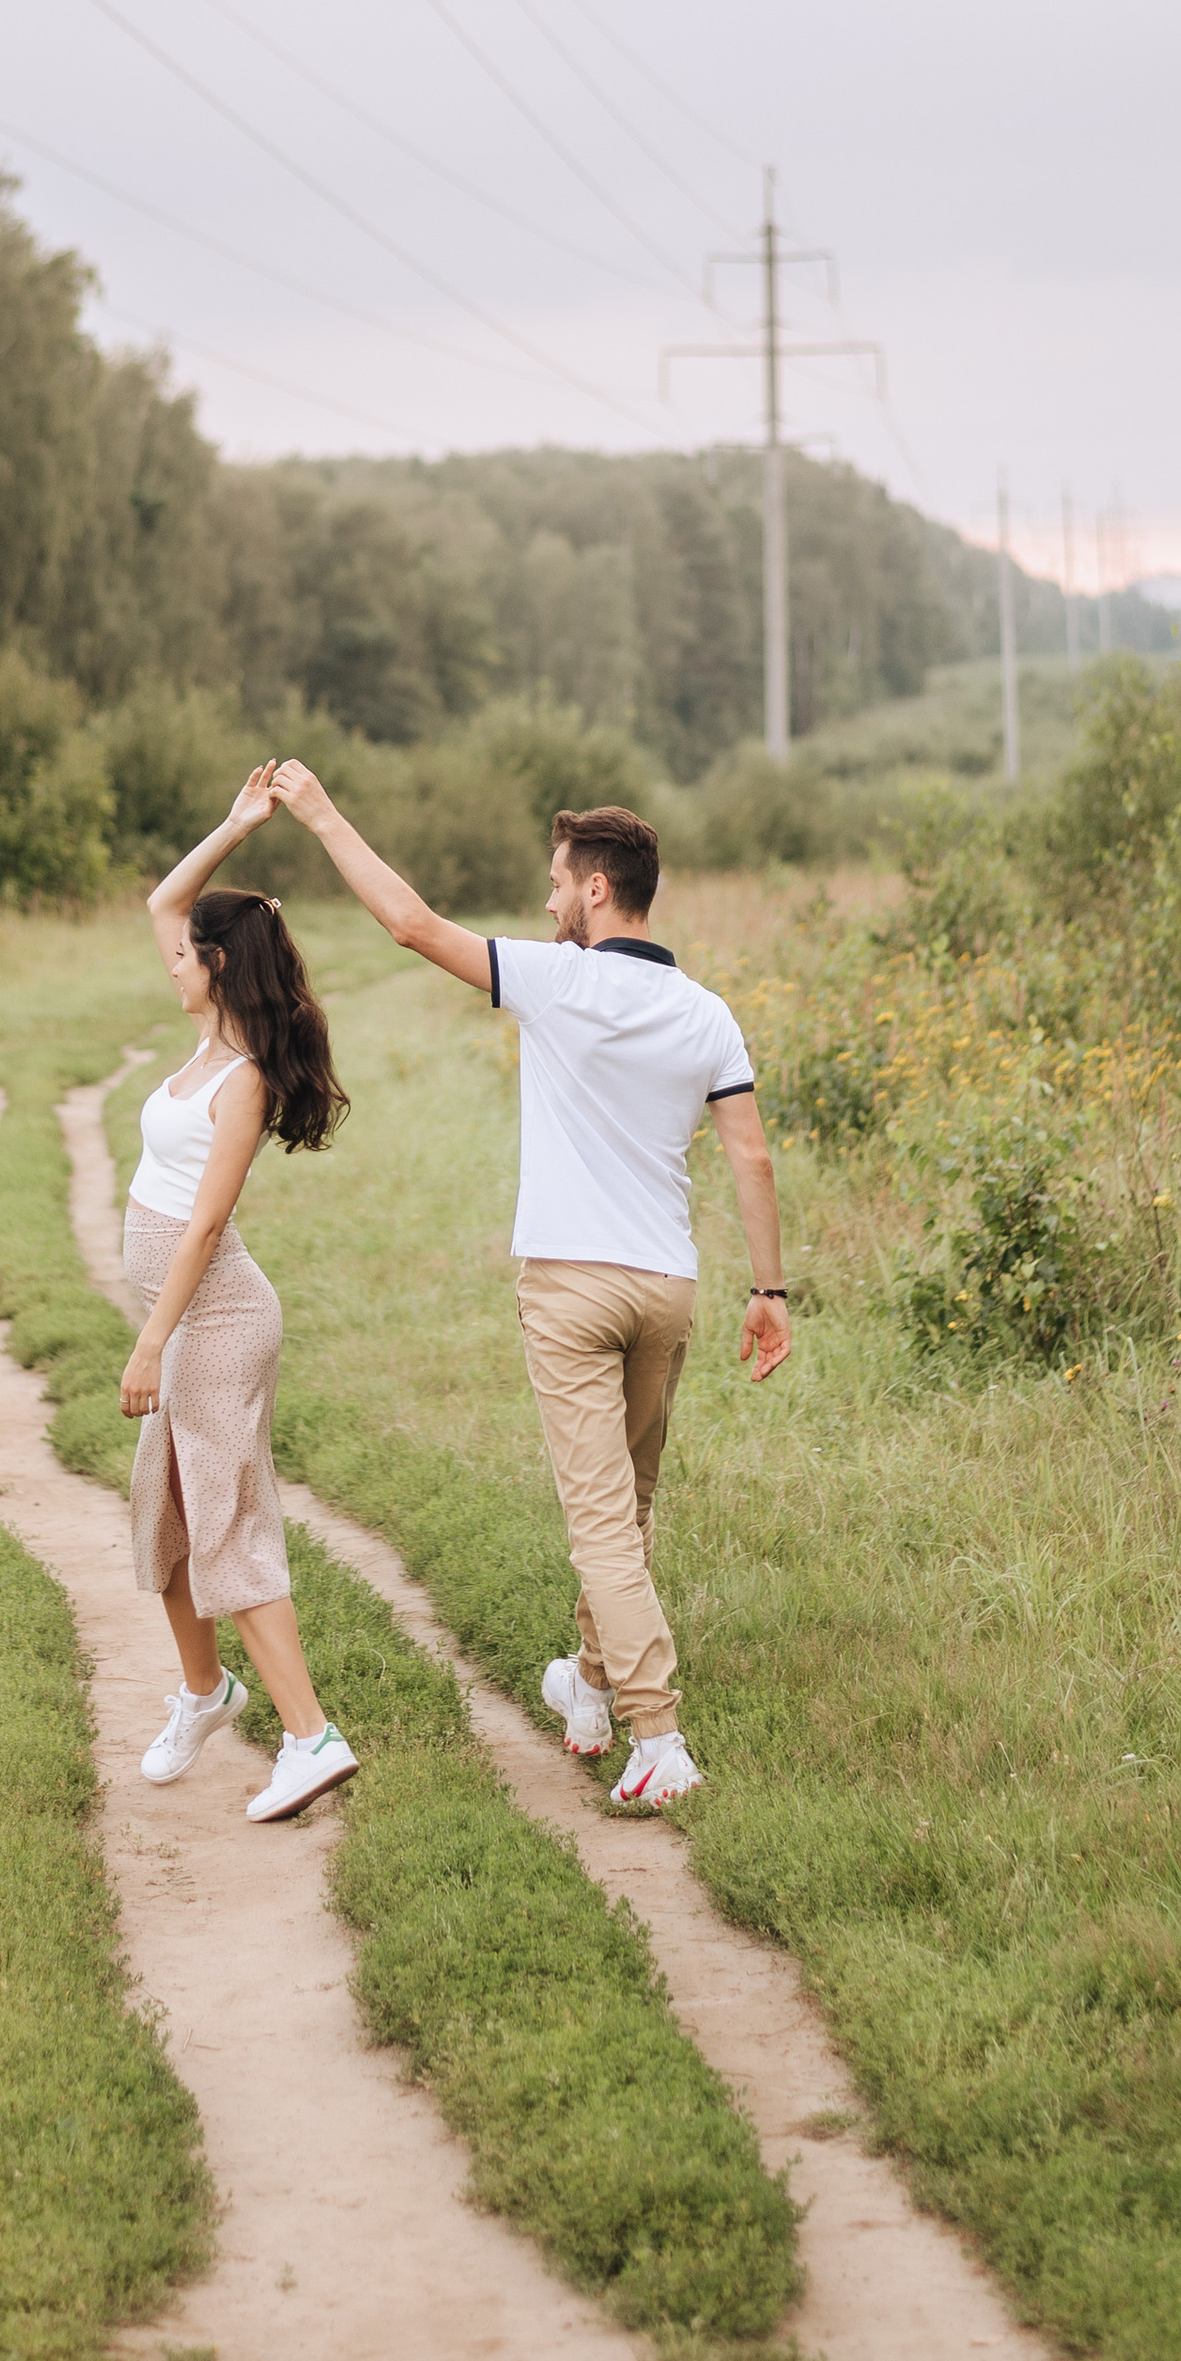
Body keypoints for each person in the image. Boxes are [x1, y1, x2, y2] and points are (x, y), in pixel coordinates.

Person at [267, 770, 789, 1807]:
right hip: (668, 1288)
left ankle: (659, 1737)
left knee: (600, 1522)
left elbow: (411, 924)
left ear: (597, 888)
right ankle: (588, 1686)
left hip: (570, 1288)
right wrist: (769, 1290)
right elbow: (752, 1158)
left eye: (557, 883)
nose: (547, 901)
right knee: (628, 1509)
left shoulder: (557, 979)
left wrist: (320, 811)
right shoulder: (708, 1012)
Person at [122, 765, 358, 1826]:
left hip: (214, 1321)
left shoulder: (245, 1077)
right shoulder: (205, 1045)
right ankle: (205, 1690)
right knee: (168, 1514)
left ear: (217, 965)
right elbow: (163, 900)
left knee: (224, 1524)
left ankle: (310, 1737)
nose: (172, 959)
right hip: (188, 1324)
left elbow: (206, 1226)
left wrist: (150, 1342)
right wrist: (233, 824)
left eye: (189, 955)